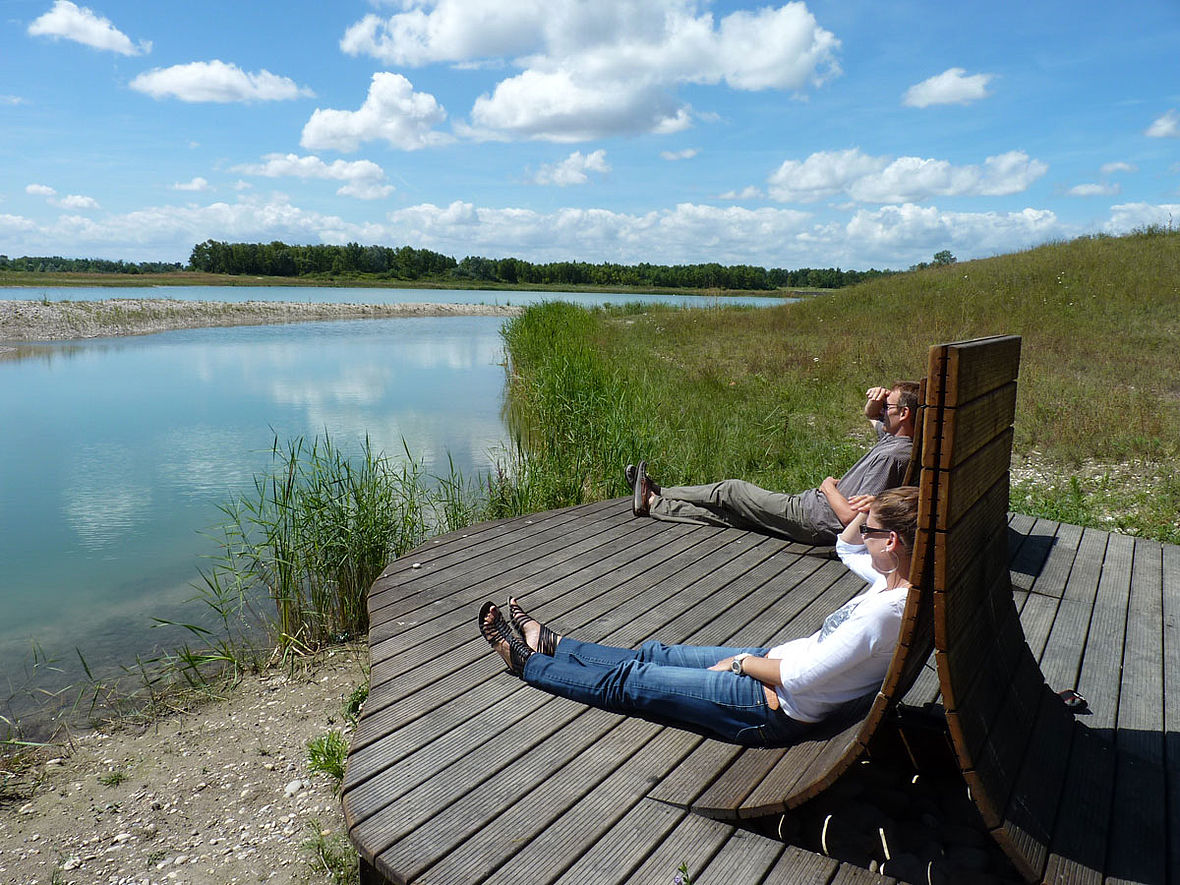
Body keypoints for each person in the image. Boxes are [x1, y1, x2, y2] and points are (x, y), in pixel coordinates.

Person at [477, 486, 919, 747]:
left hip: (772, 705)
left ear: (893, 541)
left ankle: (527, 662)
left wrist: (741, 664)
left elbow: (802, 680)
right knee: (655, 653)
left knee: (631, 681)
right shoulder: (897, 579)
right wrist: (863, 517)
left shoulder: (884, 614)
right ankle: (555, 646)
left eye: (870, 531)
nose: (861, 535)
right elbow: (846, 549)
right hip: (778, 665)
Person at [627, 380, 919, 546]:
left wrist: (828, 488)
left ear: (904, 413)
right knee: (734, 517)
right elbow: (871, 417)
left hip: (816, 518)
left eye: (888, 407)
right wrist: (876, 403)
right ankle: (653, 502)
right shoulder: (899, 439)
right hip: (814, 512)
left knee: (732, 491)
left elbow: (849, 520)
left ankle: (661, 490)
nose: (882, 412)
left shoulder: (891, 456)